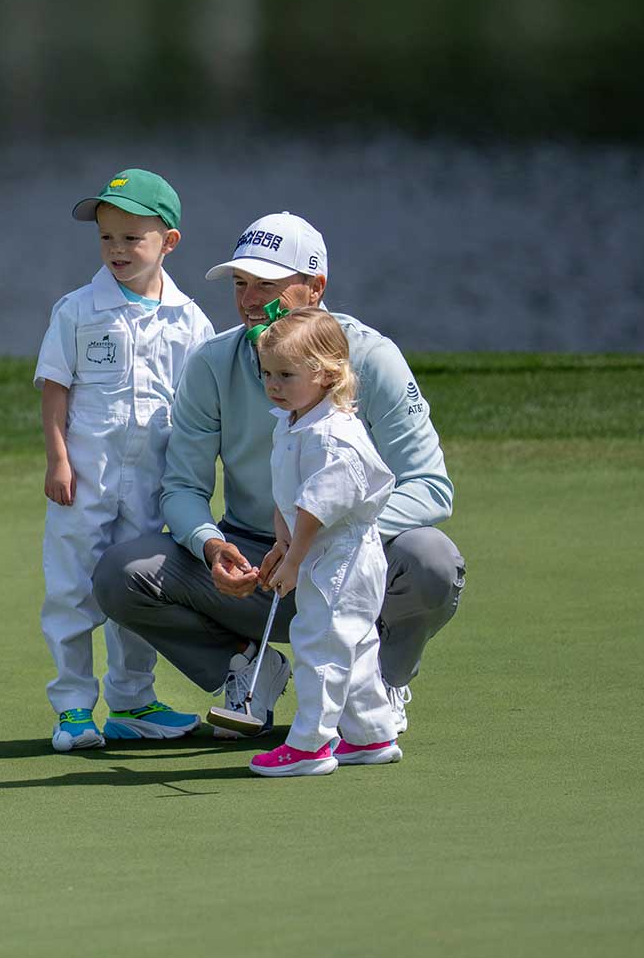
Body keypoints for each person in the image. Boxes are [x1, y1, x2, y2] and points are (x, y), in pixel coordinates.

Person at [91, 211, 465, 737]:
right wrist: (210, 545)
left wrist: (321, 539)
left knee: (433, 562)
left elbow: (430, 487)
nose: (247, 300)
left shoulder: (373, 359)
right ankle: (248, 668)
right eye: (241, 284)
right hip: (254, 564)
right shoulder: (212, 363)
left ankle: (382, 678)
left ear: (314, 288)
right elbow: (183, 488)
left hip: (351, 561)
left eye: (266, 286)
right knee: (121, 574)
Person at [33, 169, 215, 751]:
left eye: (133, 238)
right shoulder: (77, 309)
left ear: (169, 242)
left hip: (152, 484)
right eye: (107, 238)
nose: (117, 249)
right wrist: (58, 459)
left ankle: (133, 702)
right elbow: (55, 389)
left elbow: (198, 408)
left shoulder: (190, 320)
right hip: (84, 479)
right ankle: (72, 710)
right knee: (72, 591)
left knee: (135, 590)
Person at [244, 306, 400, 776]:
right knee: (351, 643)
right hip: (322, 550)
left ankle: (311, 743)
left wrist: (293, 559)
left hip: (343, 556)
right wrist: (281, 541)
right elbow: (289, 494)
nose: (273, 384)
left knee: (321, 643)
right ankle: (372, 734)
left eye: (286, 374)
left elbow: (317, 506)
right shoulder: (292, 420)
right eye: (267, 372)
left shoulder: (333, 435)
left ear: (326, 373)